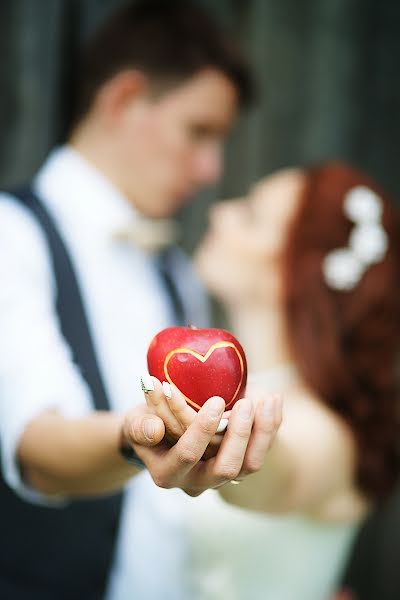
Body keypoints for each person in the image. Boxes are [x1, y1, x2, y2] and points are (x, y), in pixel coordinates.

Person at [0, 2, 281, 599]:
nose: (212, 169)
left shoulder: (177, 272)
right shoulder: (10, 236)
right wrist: (136, 438)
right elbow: (37, 446)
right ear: (124, 98)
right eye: (198, 132)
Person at [143, 163, 400, 599]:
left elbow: (281, 473)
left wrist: (233, 451)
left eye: (251, 215)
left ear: (296, 270)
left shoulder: (328, 432)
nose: (221, 211)